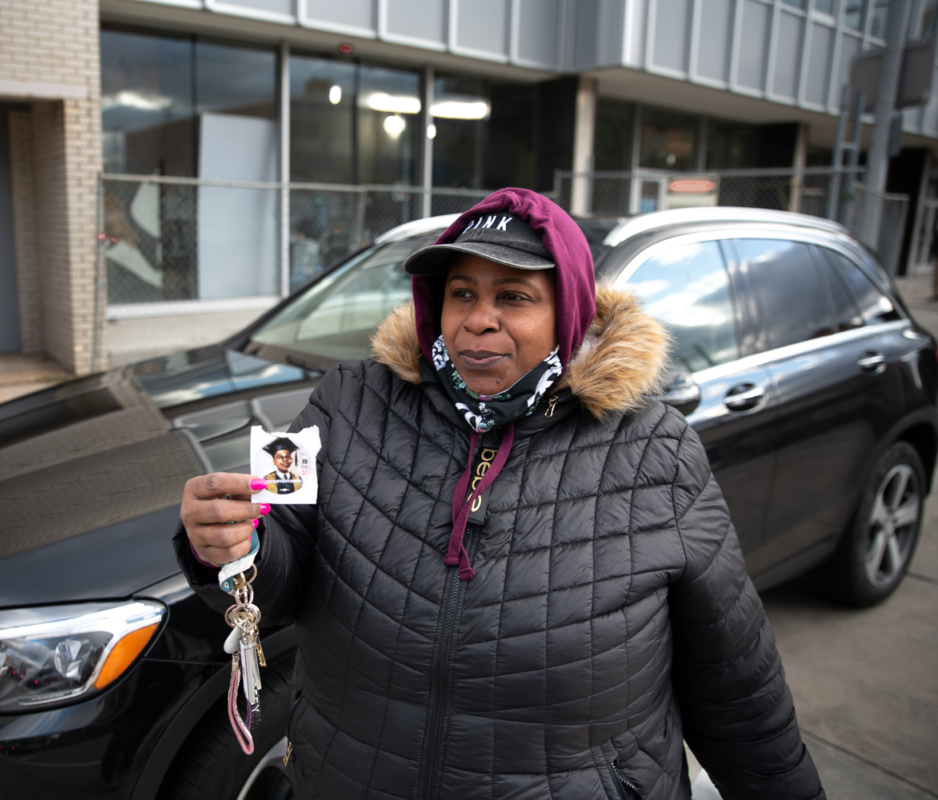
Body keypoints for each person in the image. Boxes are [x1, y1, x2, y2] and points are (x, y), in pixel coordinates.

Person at [176, 188, 825, 800]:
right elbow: (280, 572)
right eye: (462, 293)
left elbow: (737, 687)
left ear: (566, 312)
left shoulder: (653, 451)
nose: (479, 321)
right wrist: (234, 547)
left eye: (513, 296)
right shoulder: (350, 403)